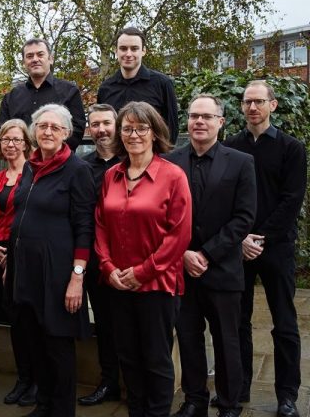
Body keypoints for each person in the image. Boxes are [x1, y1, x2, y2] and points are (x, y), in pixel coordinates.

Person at [95, 101, 192, 417]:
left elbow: (179, 235)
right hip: (117, 284)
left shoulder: (173, 176)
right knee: (128, 356)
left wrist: (142, 272)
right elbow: (100, 225)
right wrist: (108, 268)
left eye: (141, 128)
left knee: (156, 358)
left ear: (155, 132)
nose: (133, 134)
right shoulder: (111, 175)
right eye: (127, 128)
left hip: (157, 285)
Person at [166, 94, 257, 417]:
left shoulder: (240, 162)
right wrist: (184, 254)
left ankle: (230, 404)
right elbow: (164, 217)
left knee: (226, 341)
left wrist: (205, 253)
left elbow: (244, 217)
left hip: (222, 269)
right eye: (193, 116)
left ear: (221, 122)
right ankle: (194, 400)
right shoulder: (171, 161)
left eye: (206, 116)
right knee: (189, 339)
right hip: (182, 268)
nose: (199, 122)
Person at [223, 80, 307, 417]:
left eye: (259, 101)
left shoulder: (291, 148)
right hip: (238, 248)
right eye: (247, 102)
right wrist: (241, 238)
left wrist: (259, 238)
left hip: (275, 247)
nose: (252, 107)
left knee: (284, 323)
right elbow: (224, 199)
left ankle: (287, 395)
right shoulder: (230, 146)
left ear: (272, 105)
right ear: (242, 107)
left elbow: (291, 201)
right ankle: (239, 387)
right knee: (237, 321)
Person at [6, 104, 95, 417]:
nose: (47, 132)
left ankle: (61, 410)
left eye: (55, 128)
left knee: (57, 347)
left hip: (58, 273)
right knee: (35, 344)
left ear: (67, 134)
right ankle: (43, 405)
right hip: (25, 270)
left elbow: (85, 227)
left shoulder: (77, 170)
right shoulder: (30, 167)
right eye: (42, 126)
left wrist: (77, 276)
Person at [0, 119, 36, 407]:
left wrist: (11, 256)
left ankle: (37, 381)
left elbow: (29, 218)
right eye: (5, 139)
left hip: (22, 256)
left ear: (26, 143)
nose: (10, 144)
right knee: (14, 320)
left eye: (16, 139)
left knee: (30, 320)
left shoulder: (35, 175)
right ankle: (23, 378)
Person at [77, 104, 123, 407]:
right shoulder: (83, 166)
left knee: (132, 325)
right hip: (94, 259)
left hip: (128, 258)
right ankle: (109, 383)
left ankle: (137, 383)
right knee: (105, 325)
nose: (101, 129)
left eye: (106, 123)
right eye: (95, 124)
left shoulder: (132, 160)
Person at [0, 38, 86, 150]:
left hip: (58, 163)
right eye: (29, 56)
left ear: (51, 59)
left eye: (40, 54)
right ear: (24, 62)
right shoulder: (11, 97)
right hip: (21, 162)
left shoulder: (69, 91)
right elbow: (3, 131)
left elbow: (77, 130)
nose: (35, 59)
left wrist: (48, 153)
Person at [97, 27, 180, 143]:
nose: (128, 54)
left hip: (153, 158)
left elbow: (172, 128)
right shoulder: (105, 89)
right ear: (116, 51)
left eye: (134, 49)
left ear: (143, 51)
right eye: (123, 48)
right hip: (116, 159)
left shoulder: (162, 84)